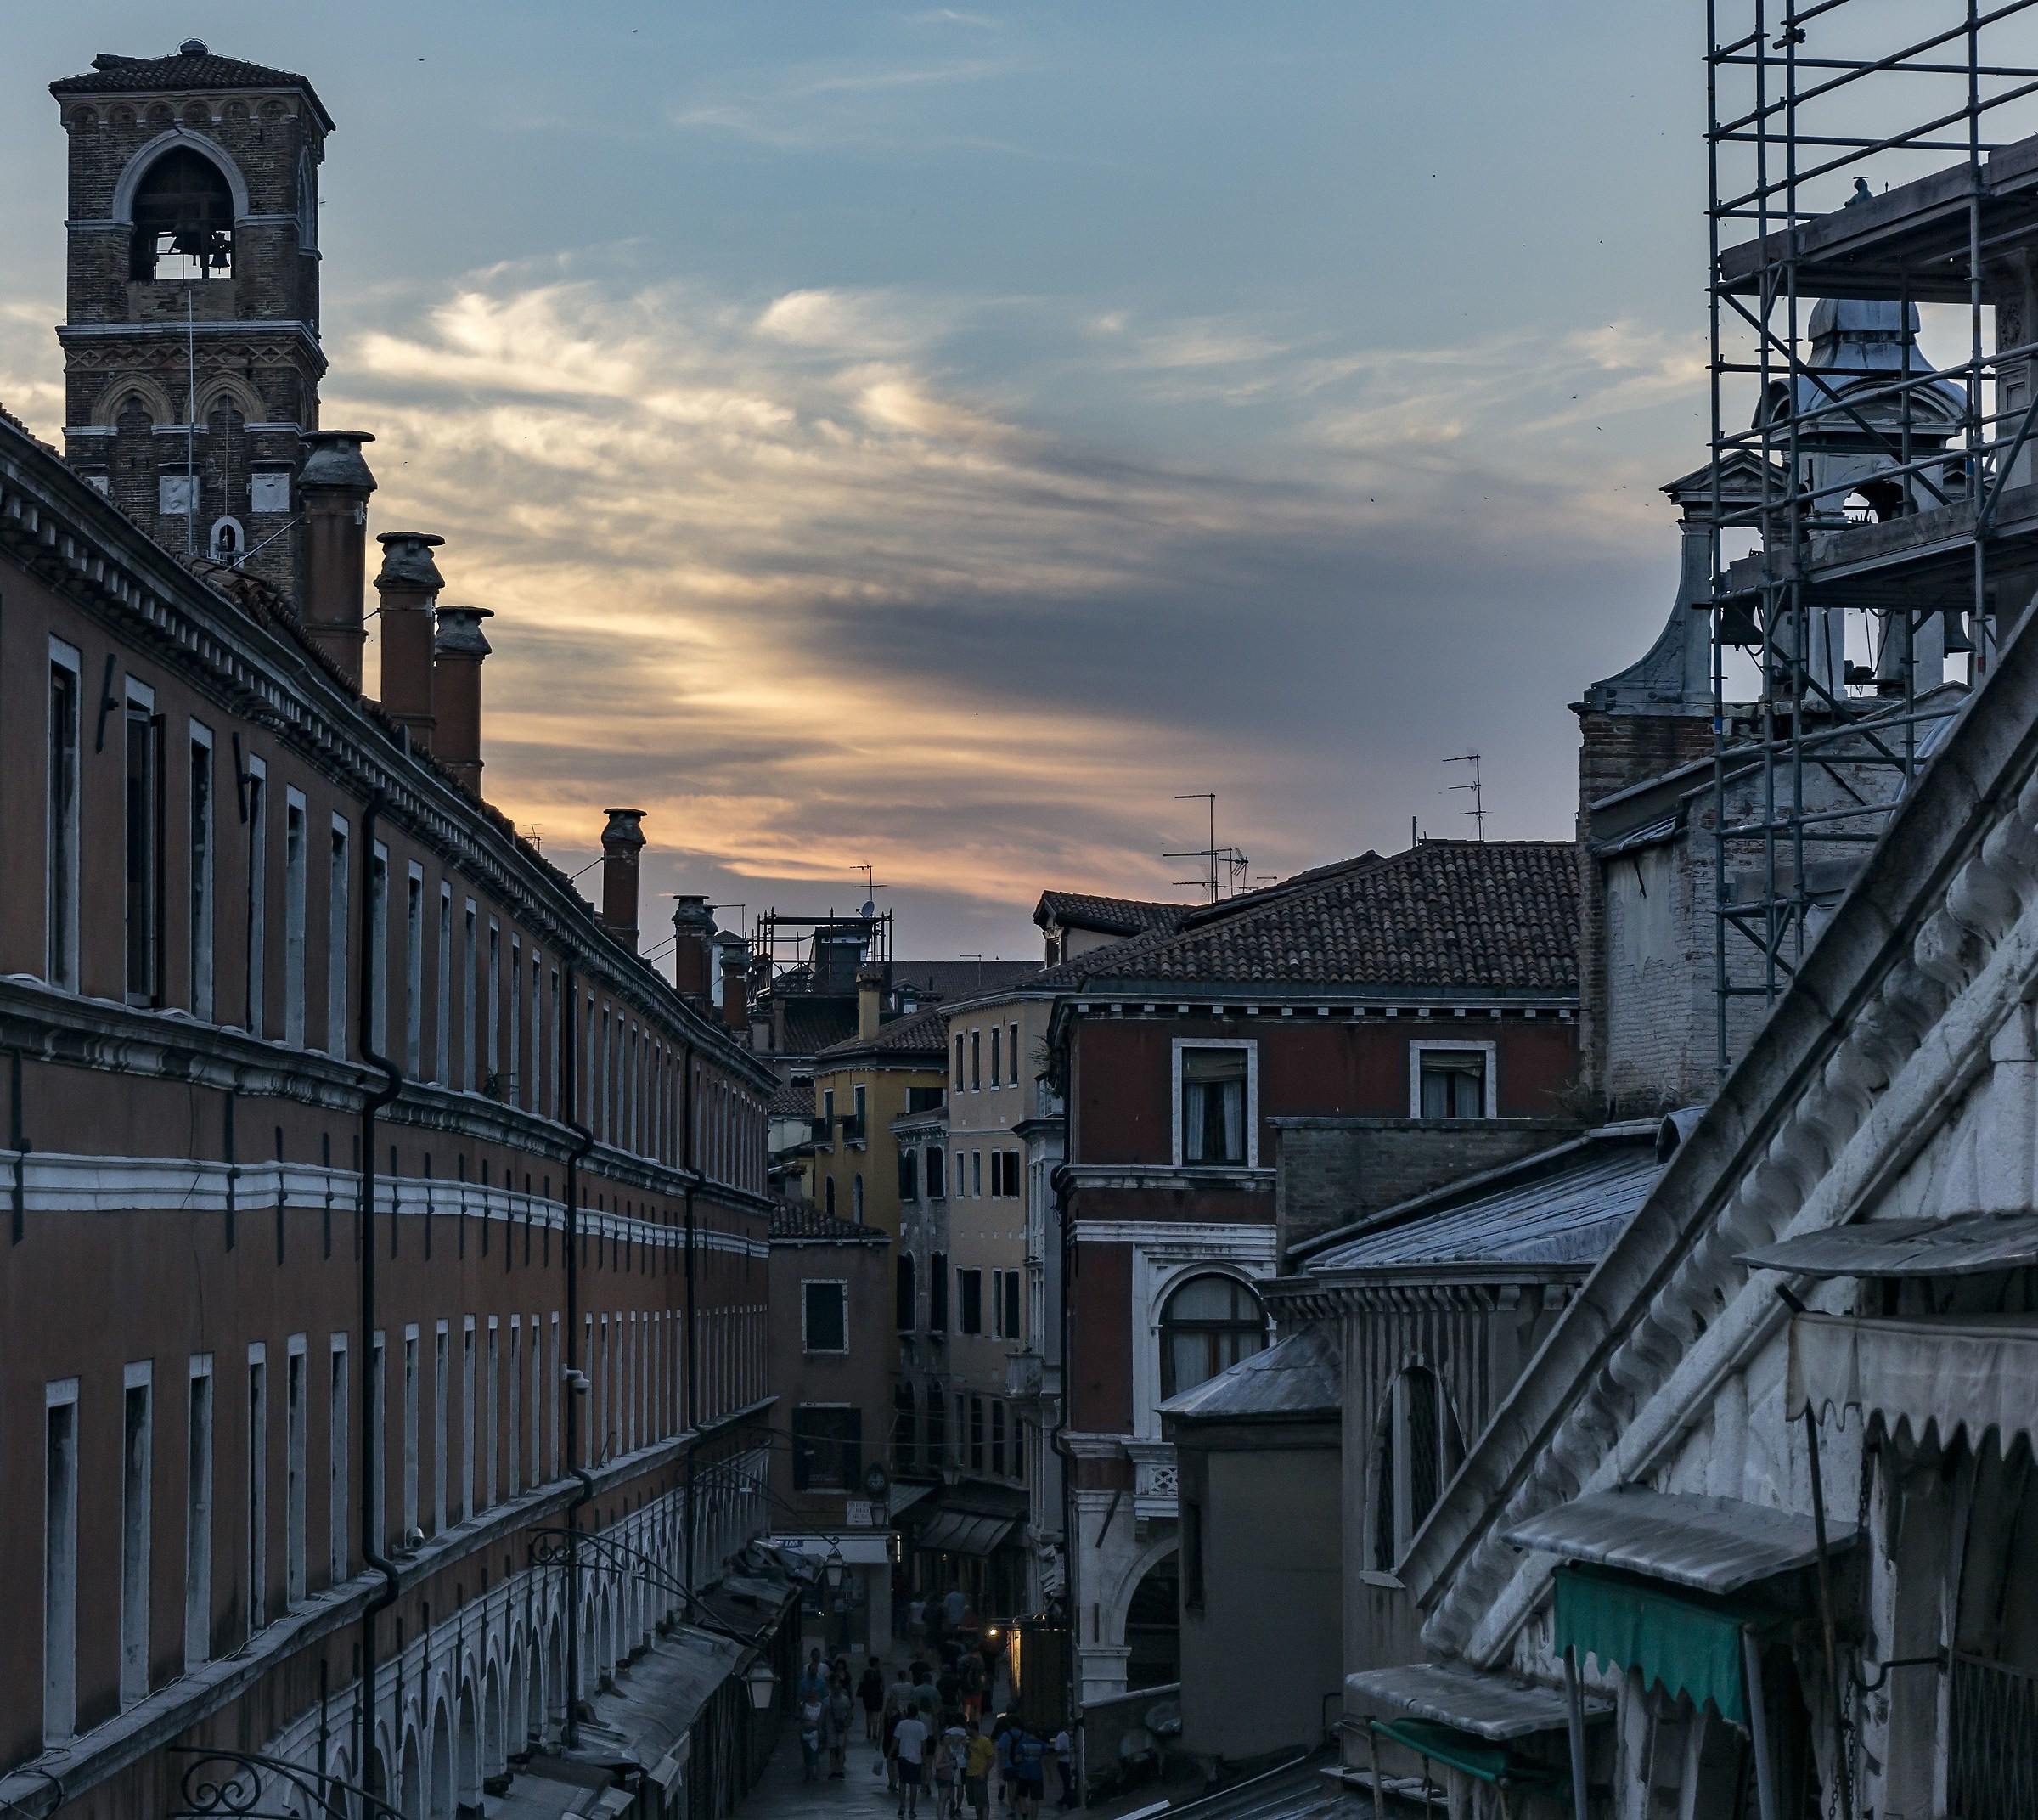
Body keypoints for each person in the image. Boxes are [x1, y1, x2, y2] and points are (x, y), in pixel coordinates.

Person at [894, 1709, 931, 1818]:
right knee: (913, 1785)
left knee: (902, 1782)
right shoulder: (921, 1726)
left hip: (903, 1756)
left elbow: (895, 1740)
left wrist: (891, 1752)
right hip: (916, 1758)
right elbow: (924, 1744)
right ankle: (912, 1809)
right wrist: (924, 1759)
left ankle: (902, 1806)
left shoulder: (901, 1724)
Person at [963, 1718, 997, 1820]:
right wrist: (966, 1748)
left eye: (967, 1729)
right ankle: (979, 1817)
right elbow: (967, 1756)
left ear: (973, 1729)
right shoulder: (969, 1741)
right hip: (970, 1773)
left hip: (980, 1773)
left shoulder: (984, 1741)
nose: (966, 1731)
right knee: (975, 1799)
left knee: (983, 1799)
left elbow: (992, 1758)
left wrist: (985, 1771)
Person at [1014, 1727, 1047, 1820]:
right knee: (1035, 1800)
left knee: (1021, 1796)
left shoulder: (1021, 1743)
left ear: (1026, 1733)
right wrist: (1049, 1774)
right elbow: (1045, 1759)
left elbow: (1016, 1759)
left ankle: (1025, 1814)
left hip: (1024, 1774)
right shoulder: (1041, 1743)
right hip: (1037, 1775)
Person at [827, 1678, 855, 1778]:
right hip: (832, 1727)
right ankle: (835, 1769)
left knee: (840, 1748)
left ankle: (838, 1769)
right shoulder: (828, 1700)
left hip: (840, 1727)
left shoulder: (844, 1700)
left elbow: (849, 1712)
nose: (836, 1691)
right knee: (834, 1749)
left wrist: (847, 1722)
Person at [798, 1693, 825, 1783]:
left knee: (814, 1751)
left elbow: (821, 1719)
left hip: (815, 1731)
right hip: (806, 1730)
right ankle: (808, 1772)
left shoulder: (820, 1706)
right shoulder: (804, 1705)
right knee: (807, 1752)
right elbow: (801, 1717)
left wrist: (820, 1730)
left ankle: (813, 1773)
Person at [859, 1661, 887, 1743]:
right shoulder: (880, 1673)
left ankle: (869, 1731)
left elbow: (860, 1681)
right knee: (876, 1715)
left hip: (867, 1695)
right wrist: (881, 1691)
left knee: (869, 1714)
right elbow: (883, 1685)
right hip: (877, 1695)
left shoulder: (865, 1672)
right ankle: (875, 1733)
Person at [1050, 1727, 1074, 1810]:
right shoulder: (1061, 1737)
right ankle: (1067, 1802)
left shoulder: (1072, 1737)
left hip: (1070, 1763)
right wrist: (1068, 1751)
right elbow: (1057, 1752)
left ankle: (1066, 1800)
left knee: (1069, 1784)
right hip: (1063, 1763)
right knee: (1067, 1784)